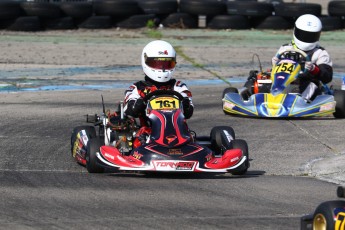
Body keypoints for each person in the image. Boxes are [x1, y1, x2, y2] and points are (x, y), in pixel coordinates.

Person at [123, 40, 194, 147]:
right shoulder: (137, 88)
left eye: (167, 64)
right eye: (157, 64)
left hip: (178, 133)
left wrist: (185, 103)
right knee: (137, 141)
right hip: (148, 134)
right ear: (146, 61)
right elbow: (129, 111)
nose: (162, 68)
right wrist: (140, 103)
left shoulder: (179, 87)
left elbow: (188, 112)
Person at [272, 14, 333, 101]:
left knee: (312, 84)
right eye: (303, 34)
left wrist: (314, 69)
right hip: (285, 82)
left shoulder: (320, 53)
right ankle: (267, 98)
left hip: (307, 82)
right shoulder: (285, 48)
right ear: (295, 31)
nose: (306, 38)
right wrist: (275, 64)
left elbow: (327, 77)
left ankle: (300, 102)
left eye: (310, 36)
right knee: (262, 80)